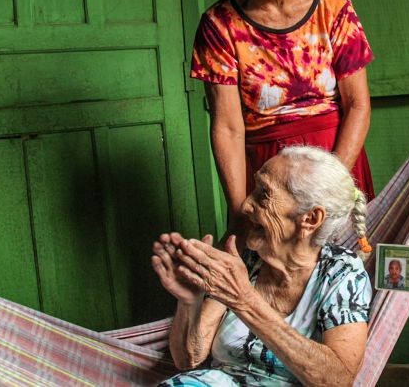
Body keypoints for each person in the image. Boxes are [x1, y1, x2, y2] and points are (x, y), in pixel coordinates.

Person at [190, 0, 375, 251]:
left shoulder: (335, 9)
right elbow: (227, 127)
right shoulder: (219, 25)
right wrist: (240, 207)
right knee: (272, 285)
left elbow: (357, 105)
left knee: (344, 282)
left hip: (337, 163)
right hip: (267, 180)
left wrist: (329, 184)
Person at [151, 146, 372, 386]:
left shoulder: (341, 273)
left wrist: (244, 300)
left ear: (310, 219)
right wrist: (189, 302)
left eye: (264, 194)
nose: (246, 205)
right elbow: (188, 359)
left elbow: (336, 381)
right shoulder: (246, 261)